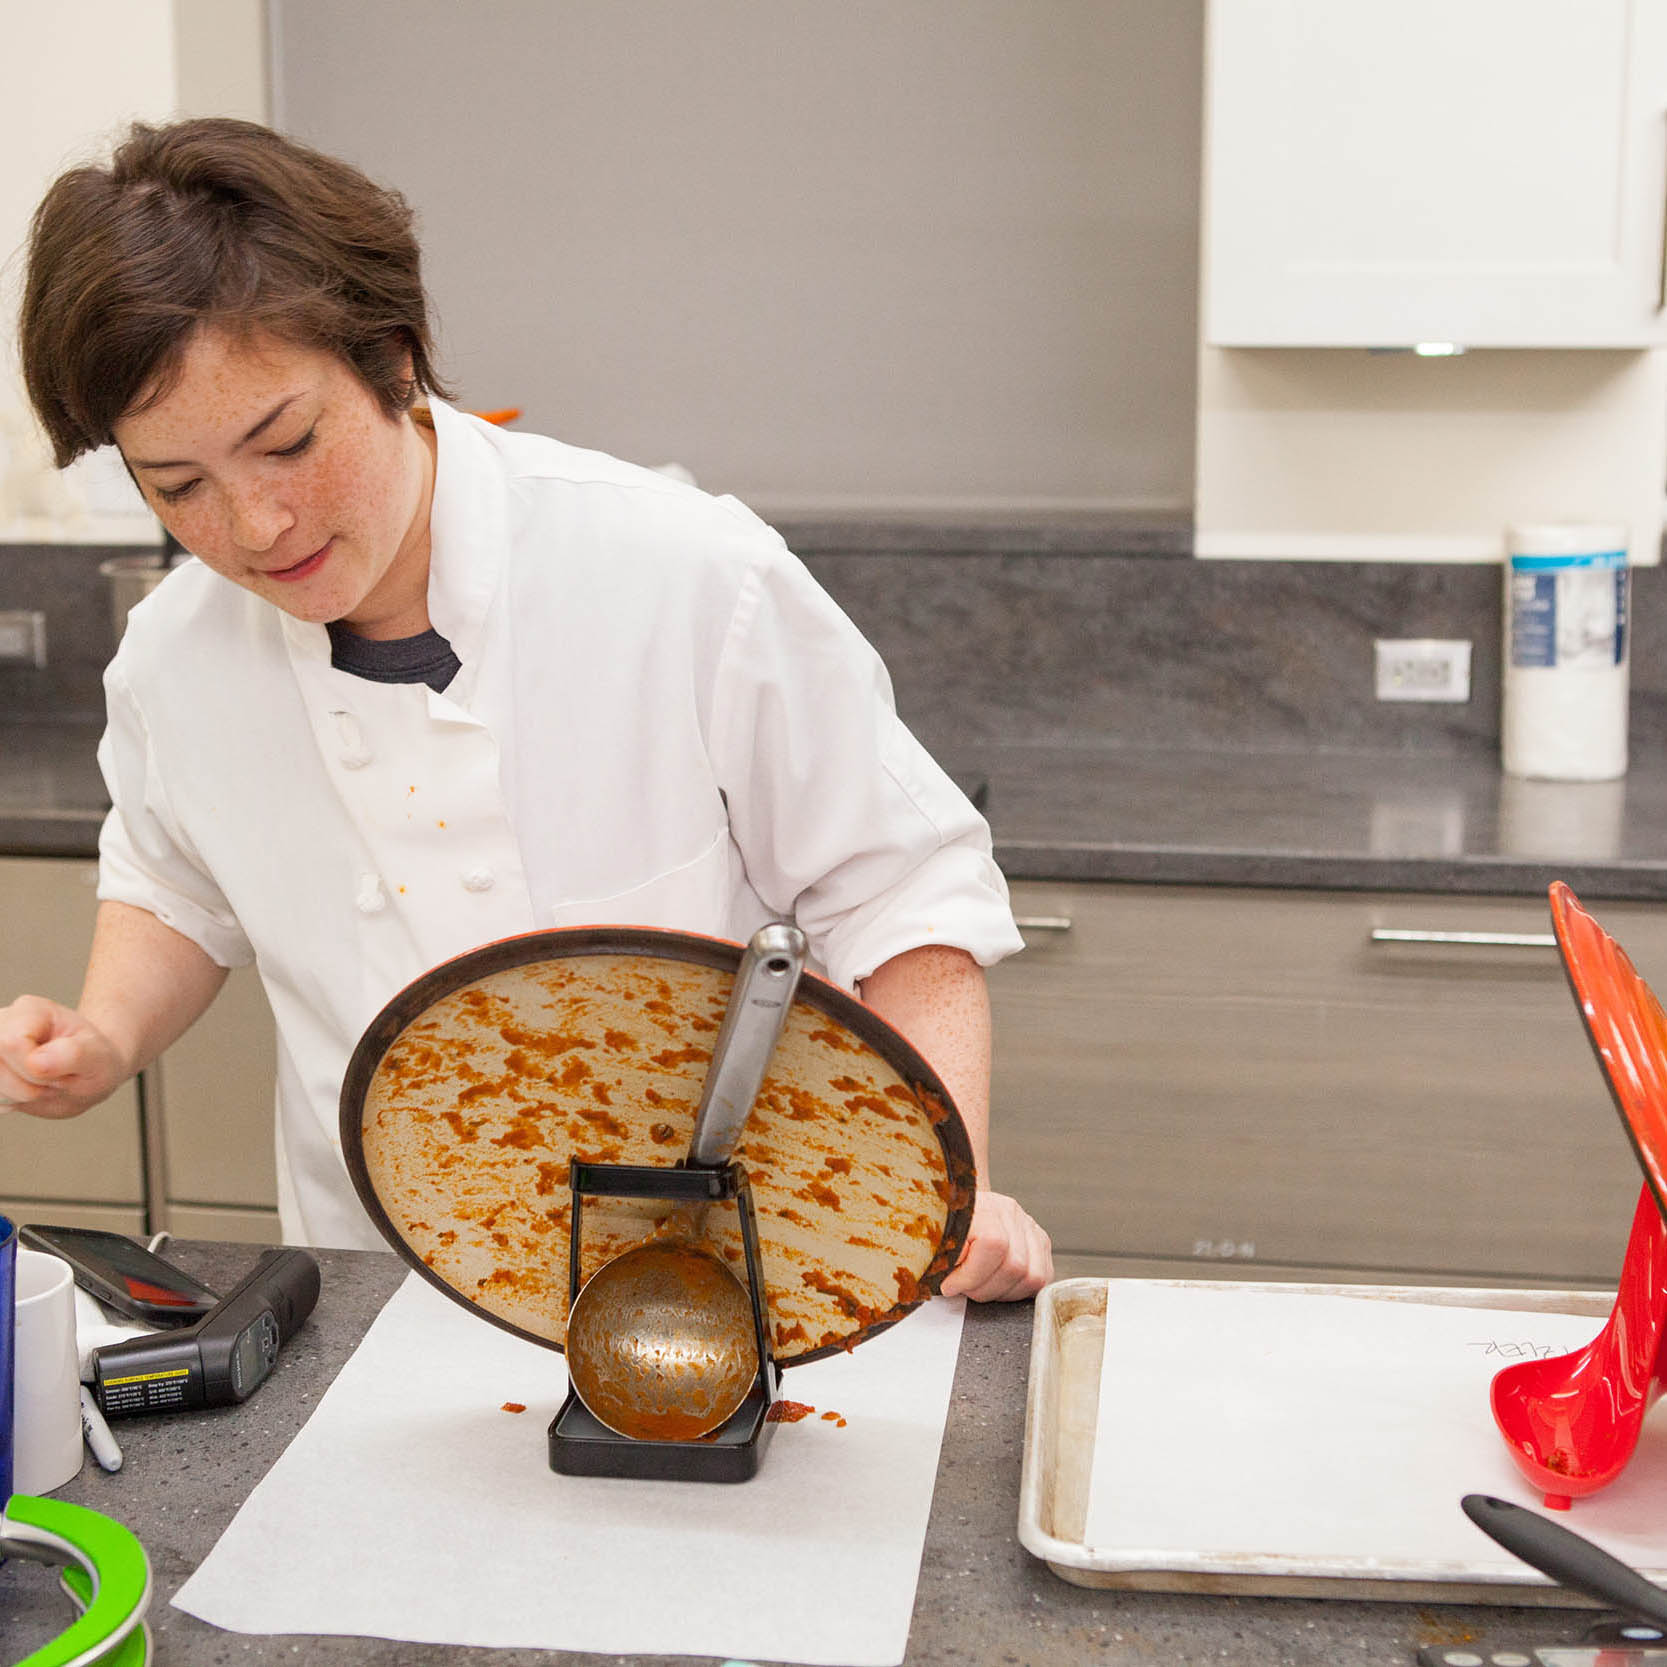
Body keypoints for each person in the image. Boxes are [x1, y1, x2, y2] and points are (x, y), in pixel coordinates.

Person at [0, 117, 1050, 1301]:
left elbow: (900, 892)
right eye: (177, 485)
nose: (254, 527)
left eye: (286, 443)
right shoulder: (174, 655)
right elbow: (175, 880)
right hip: (370, 1291)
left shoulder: (681, 574)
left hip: (727, 1276)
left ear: (392, 363)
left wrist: (929, 1190)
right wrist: (105, 1035)